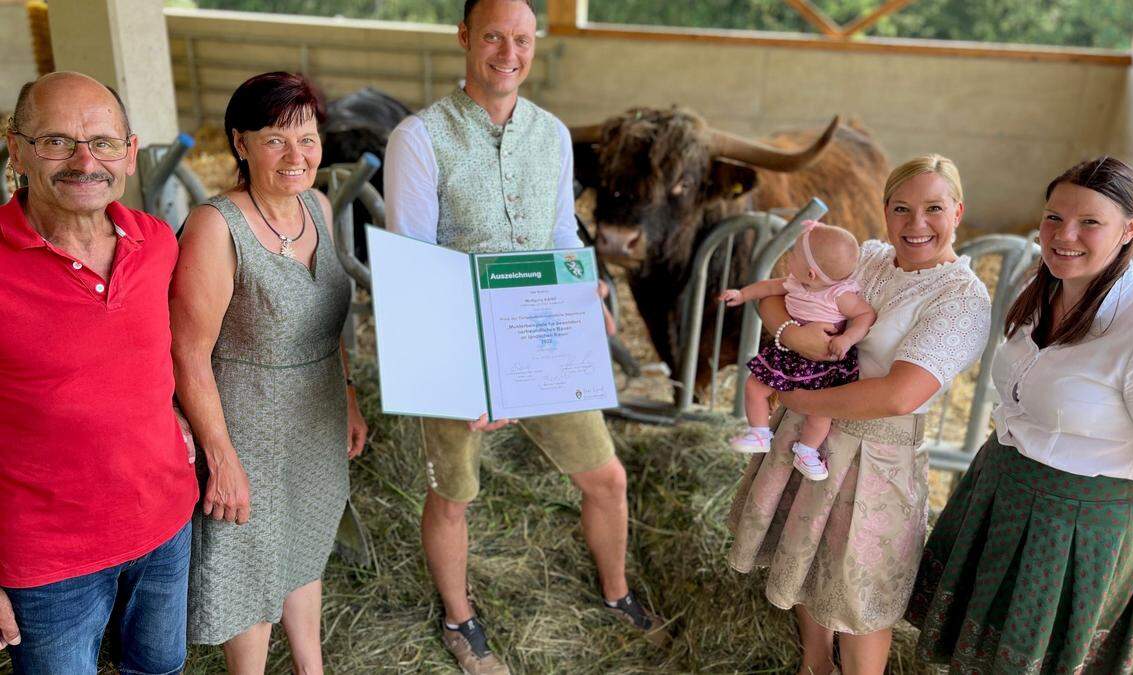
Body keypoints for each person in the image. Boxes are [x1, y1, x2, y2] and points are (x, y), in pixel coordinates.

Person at [383, 1, 665, 672]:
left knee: (606, 477)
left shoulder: (555, 135)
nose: (509, 52)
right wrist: (469, 370)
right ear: (464, 38)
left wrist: (586, 293)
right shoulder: (419, 137)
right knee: (454, 494)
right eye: (493, 37)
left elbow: (561, 234)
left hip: (540, 333)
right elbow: (413, 264)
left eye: (523, 39)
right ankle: (460, 618)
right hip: (454, 343)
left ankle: (618, 592)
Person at [906, 156, 1133, 673]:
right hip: (1000, 489)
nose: (1065, 235)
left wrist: (1106, 518)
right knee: (970, 656)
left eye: (1090, 222)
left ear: (1131, 229)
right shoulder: (1041, 287)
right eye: (1053, 218)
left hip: (1080, 526)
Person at [726, 154, 992, 675]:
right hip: (810, 437)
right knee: (804, 556)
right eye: (902, 208)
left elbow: (899, 394)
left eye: (933, 209)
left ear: (958, 211)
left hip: (876, 450)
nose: (916, 225)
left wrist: (800, 400)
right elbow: (783, 294)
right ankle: (814, 665)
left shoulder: (963, 298)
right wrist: (792, 334)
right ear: (885, 211)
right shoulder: (867, 256)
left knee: (859, 592)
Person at [0, 72, 197, 673]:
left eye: (104, 143)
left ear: (130, 152)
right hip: (45, 558)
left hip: (165, 523)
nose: (85, 161)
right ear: (17, 149)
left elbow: (159, 353)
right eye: (57, 141)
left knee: (158, 667)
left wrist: (174, 414)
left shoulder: (157, 242)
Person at [171, 71, 368, 673]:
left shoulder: (318, 205)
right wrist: (221, 458)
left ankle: (313, 668)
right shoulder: (215, 227)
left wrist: (350, 395)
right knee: (247, 568)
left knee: (305, 547)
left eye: (306, 139)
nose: (296, 155)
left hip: (316, 417)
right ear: (240, 143)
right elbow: (187, 352)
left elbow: (326, 320)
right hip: (245, 424)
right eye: (275, 139)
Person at [719, 219, 876, 480]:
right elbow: (768, 287)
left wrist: (847, 339)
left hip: (822, 362)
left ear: (811, 273)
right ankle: (759, 433)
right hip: (789, 353)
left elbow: (865, 315)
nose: (788, 257)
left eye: (793, 254)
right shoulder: (795, 282)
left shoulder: (840, 295)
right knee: (754, 387)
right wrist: (742, 294)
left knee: (820, 411)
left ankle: (807, 451)